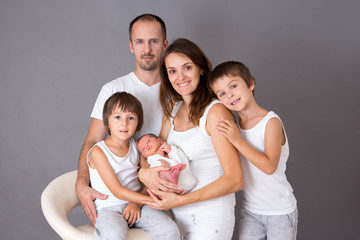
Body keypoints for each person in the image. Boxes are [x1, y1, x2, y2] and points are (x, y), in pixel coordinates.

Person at [75, 14, 176, 225]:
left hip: (162, 187)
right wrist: (81, 184)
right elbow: (93, 142)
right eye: (140, 42)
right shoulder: (112, 89)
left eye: (154, 41)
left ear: (164, 44)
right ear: (131, 46)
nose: (146, 49)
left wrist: (139, 200)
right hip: (120, 195)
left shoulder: (177, 90)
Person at [139, 38, 244, 240]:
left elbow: (235, 179)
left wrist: (181, 201)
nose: (180, 77)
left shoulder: (216, 113)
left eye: (187, 67)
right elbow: (153, 153)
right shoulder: (172, 108)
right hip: (177, 216)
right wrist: (144, 173)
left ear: (201, 69)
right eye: (172, 71)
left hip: (209, 217)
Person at [208, 61, 298, 239]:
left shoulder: (270, 122)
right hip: (250, 211)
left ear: (250, 84)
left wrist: (237, 140)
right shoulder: (234, 127)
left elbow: (269, 166)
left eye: (233, 86)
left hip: (280, 211)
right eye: (222, 93)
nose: (230, 94)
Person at [88, 92, 180, 239]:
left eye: (130, 118)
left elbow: (149, 180)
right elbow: (117, 191)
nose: (124, 123)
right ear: (107, 122)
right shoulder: (98, 151)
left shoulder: (137, 146)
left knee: (169, 230)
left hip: (137, 203)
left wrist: (136, 204)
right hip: (109, 209)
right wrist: (154, 201)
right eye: (118, 117)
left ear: (138, 123)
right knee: (113, 234)